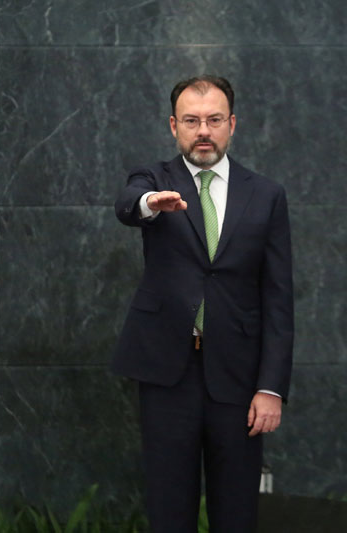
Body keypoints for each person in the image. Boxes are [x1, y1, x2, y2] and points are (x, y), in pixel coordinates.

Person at [112, 76, 293, 532]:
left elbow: (278, 298)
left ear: (232, 124)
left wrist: (271, 387)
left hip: (239, 376)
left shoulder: (266, 195)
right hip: (167, 373)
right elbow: (129, 203)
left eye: (214, 120)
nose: (204, 131)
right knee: (170, 508)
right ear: (174, 127)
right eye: (192, 121)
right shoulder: (155, 179)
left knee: (236, 511)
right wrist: (151, 203)